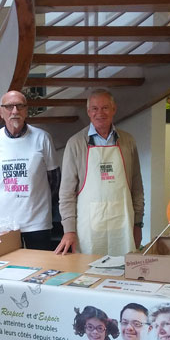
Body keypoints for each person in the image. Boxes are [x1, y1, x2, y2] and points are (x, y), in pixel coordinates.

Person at [54, 89, 144, 256]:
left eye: (105, 108)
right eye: (94, 108)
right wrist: (69, 230)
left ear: (114, 109)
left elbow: (137, 187)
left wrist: (138, 223)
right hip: (88, 229)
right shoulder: (75, 143)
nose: (100, 113)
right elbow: (66, 193)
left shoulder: (128, 141)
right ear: (88, 112)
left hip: (123, 226)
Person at [0, 90, 60, 250]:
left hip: (37, 223)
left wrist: (33, 199)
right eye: (9, 107)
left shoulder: (42, 138)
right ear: (0, 111)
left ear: (26, 110)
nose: (15, 111)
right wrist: (8, 199)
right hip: (3, 224)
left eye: (20, 106)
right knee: (5, 270)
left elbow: (54, 179)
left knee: (40, 269)